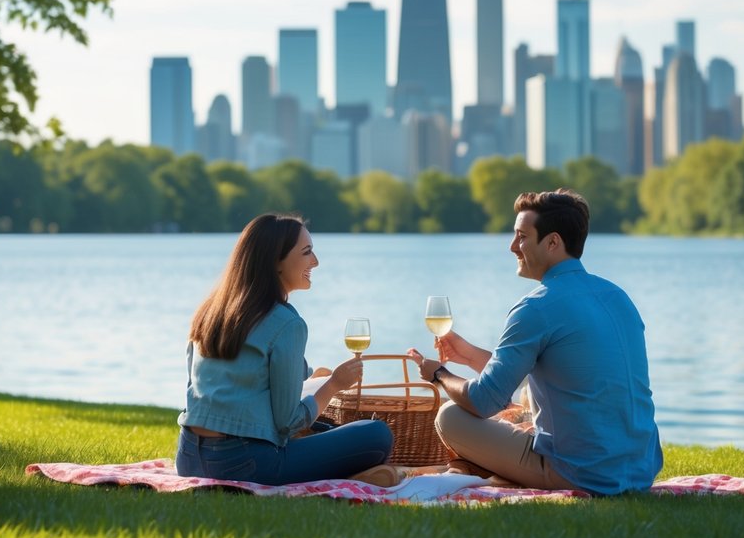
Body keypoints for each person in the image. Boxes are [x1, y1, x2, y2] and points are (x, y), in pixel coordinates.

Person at [407, 189, 662, 495]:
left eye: (522, 236)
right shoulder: (617, 296)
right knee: (527, 400)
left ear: (553, 242)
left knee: (450, 416)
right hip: (641, 469)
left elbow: (483, 402)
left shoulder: (536, 307)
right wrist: (473, 356)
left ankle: (472, 468)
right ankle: (478, 467)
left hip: (581, 474)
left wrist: (439, 374)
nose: (513, 246)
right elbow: (564, 375)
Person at [176, 212, 396, 486]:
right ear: (276, 262)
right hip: (244, 463)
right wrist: (333, 385)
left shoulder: (210, 312)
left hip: (187, 458)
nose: (315, 261)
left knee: (325, 429)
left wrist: (312, 379)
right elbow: (288, 422)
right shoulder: (287, 324)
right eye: (307, 253)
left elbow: (218, 389)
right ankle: (355, 474)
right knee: (376, 435)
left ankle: (350, 471)